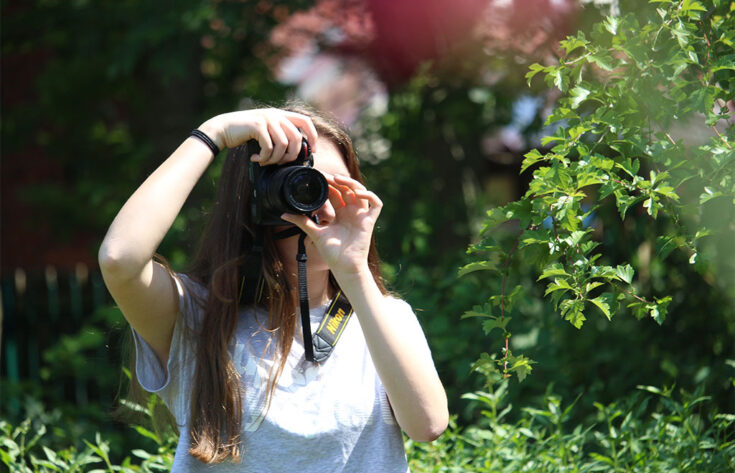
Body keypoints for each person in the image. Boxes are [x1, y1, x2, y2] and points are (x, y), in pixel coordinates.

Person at [98, 105, 448, 472]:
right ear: (256, 204)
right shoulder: (196, 317)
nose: (321, 203)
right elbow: (120, 259)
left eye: (337, 186)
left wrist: (354, 271)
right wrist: (213, 133)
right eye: (304, 184)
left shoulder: (383, 316)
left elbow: (428, 424)